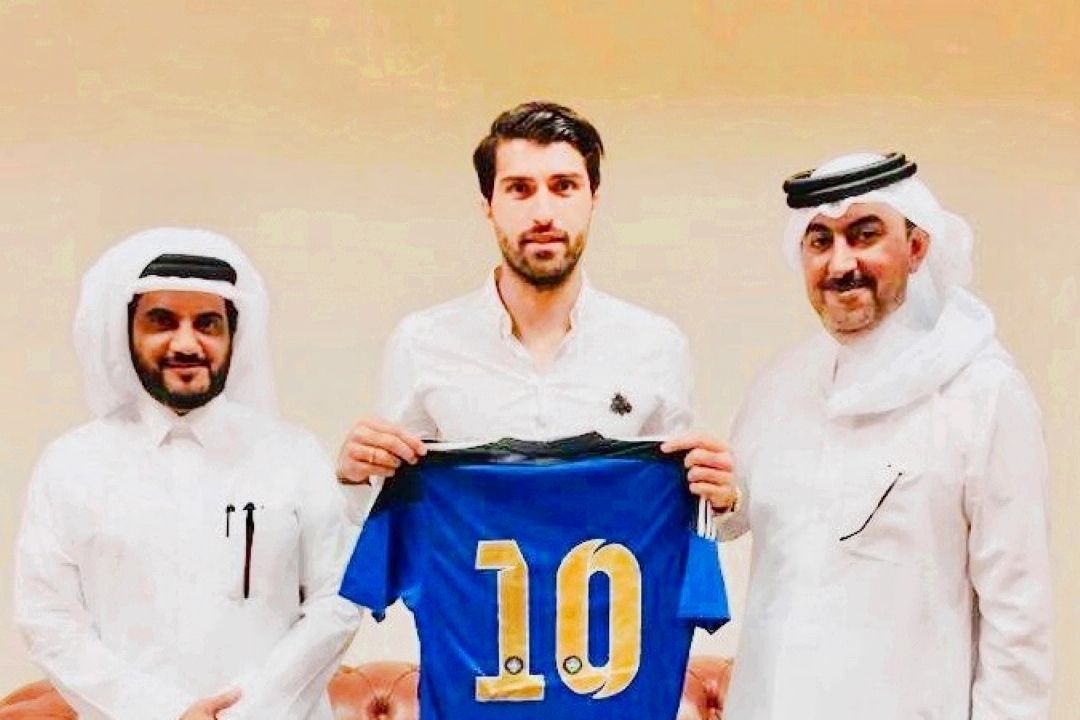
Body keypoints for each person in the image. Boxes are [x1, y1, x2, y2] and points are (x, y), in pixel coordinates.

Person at [722, 152, 1052, 719]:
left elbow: (1018, 616)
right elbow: (733, 517)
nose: (841, 263)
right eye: (820, 241)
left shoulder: (984, 393)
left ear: (917, 248)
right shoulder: (781, 386)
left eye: (865, 235)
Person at [14, 228, 360, 720]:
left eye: (207, 323)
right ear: (126, 333)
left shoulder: (293, 454)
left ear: (232, 335)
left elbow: (337, 601)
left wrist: (248, 710)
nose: (186, 342)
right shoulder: (72, 465)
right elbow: (49, 620)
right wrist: (165, 712)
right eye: (162, 321)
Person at [334, 100, 735, 518]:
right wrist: (356, 478)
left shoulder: (656, 345)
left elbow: (672, 516)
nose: (543, 214)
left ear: (593, 198)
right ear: (488, 204)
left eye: (564, 186)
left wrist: (720, 500)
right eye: (519, 189)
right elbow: (389, 515)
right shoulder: (420, 342)